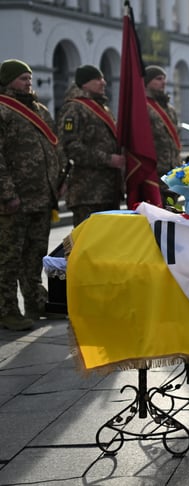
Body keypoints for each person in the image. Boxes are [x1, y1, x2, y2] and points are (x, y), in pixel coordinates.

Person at [0, 59, 64, 330]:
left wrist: (59, 181)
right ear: (8, 81)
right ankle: (7, 310)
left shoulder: (39, 109)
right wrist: (7, 193)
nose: (28, 82)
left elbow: (54, 148)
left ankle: (36, 302)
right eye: (22, 78)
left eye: (29, 77)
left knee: (35, 255)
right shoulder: (3, 110)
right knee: (8, 257)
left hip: (41, 196)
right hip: (15, 199)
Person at [58, 64, 125, 227]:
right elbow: (70, 146)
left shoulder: (103, 108)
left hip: (108, 191)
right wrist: (108, 159)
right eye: (97, 79)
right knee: (88, 239)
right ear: (84, 84)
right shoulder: (74, 108)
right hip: (88, 193)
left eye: (103, 78)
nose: (103, 83)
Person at [144, 65, 182, 204]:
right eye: (158, 79)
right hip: (154, 174)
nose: (163, 82)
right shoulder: (142, 107)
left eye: (164, 79)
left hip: (172, 175)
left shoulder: (170, 109)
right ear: (147, 82)